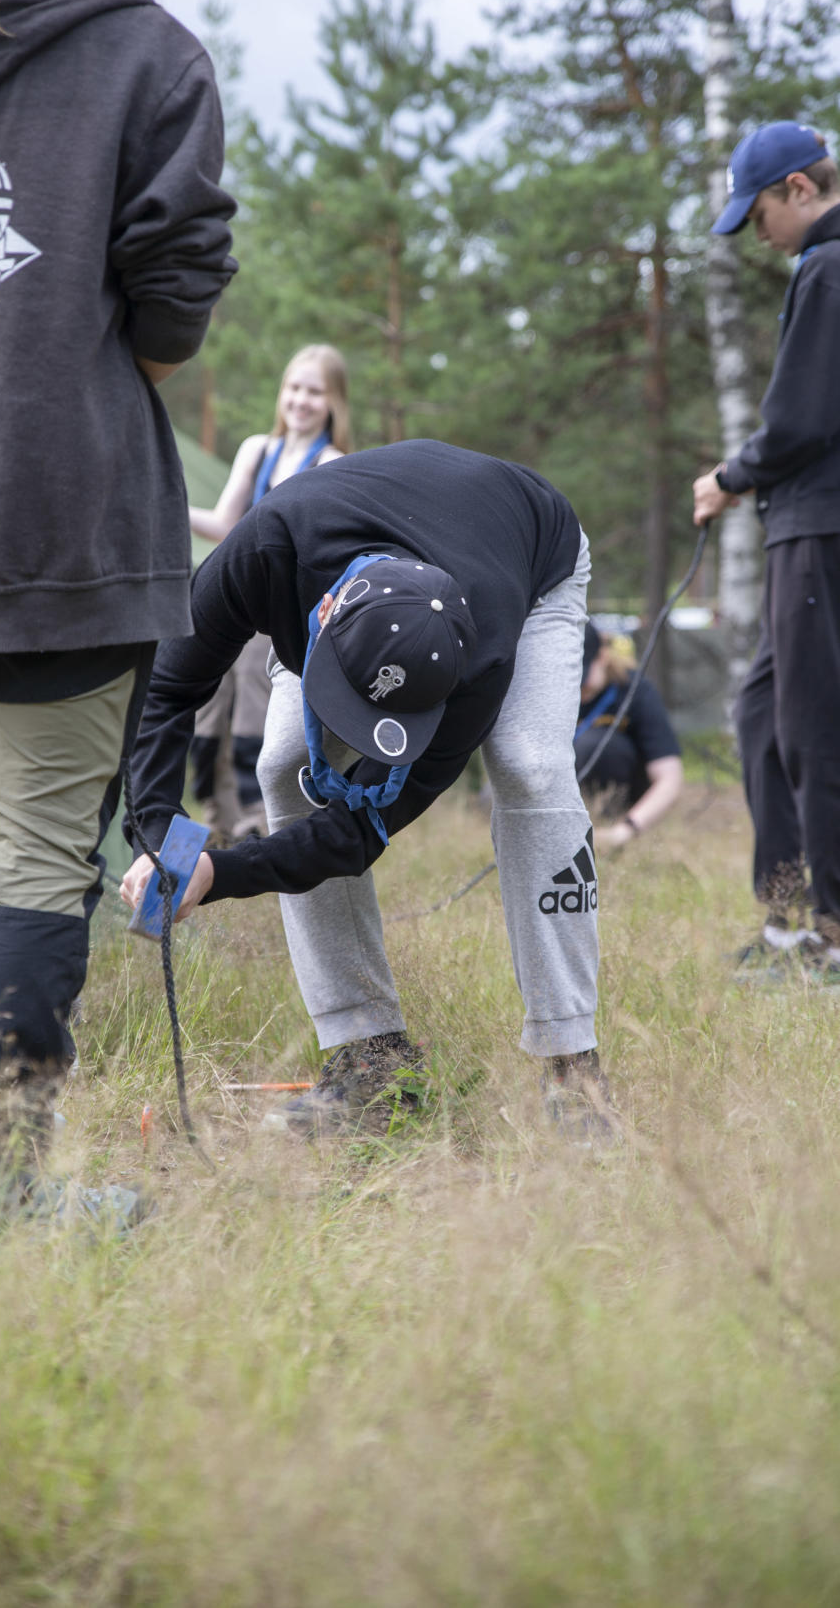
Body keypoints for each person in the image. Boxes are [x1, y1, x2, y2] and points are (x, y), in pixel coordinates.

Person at [0, 0, 237, 1209]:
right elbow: (173, 301)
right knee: (33, 845)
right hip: (64, 511)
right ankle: (0, 1183)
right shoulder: (144, 54)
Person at [122, 439, 611, 1140]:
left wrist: (218, 871)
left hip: (531, 555)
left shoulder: (479, 660)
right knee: (284, 763)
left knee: (529, 765)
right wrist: (161, 837)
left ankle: (574, 1070)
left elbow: (356, 835)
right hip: (357, 554)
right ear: (320, 618)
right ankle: (370, 1061)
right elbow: (168, 689)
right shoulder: (265, 547)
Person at [693, 119, 840, 980]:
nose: (756, 235)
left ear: (796, 189)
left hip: (818, 529)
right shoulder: (816, 267)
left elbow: (796, 422)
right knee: (761, 716)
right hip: (801, 526)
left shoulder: (825, 265)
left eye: (755, 215)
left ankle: (827, 933)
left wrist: (729, 475)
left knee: (812, 730)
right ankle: (785, 919)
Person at [187, 346, 350, 842]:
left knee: (256, 721)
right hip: (232, 605)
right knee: (209, 712)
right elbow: (223, 523)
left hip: (279, 617)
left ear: (334, 401)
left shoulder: (332, 462)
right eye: (294, 387)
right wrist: (163, 507)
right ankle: (219, 825)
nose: (301, 400)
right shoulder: (257, 449)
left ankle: (261, 830)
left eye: (314, 391)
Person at [576, 622, 682, 850]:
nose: (577, 685)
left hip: (623, 799)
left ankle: (607, 822)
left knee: (599, 747)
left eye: (582, 674)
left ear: (602, 657)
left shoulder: (636, 692)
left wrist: (627, 829)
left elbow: (670, 778)